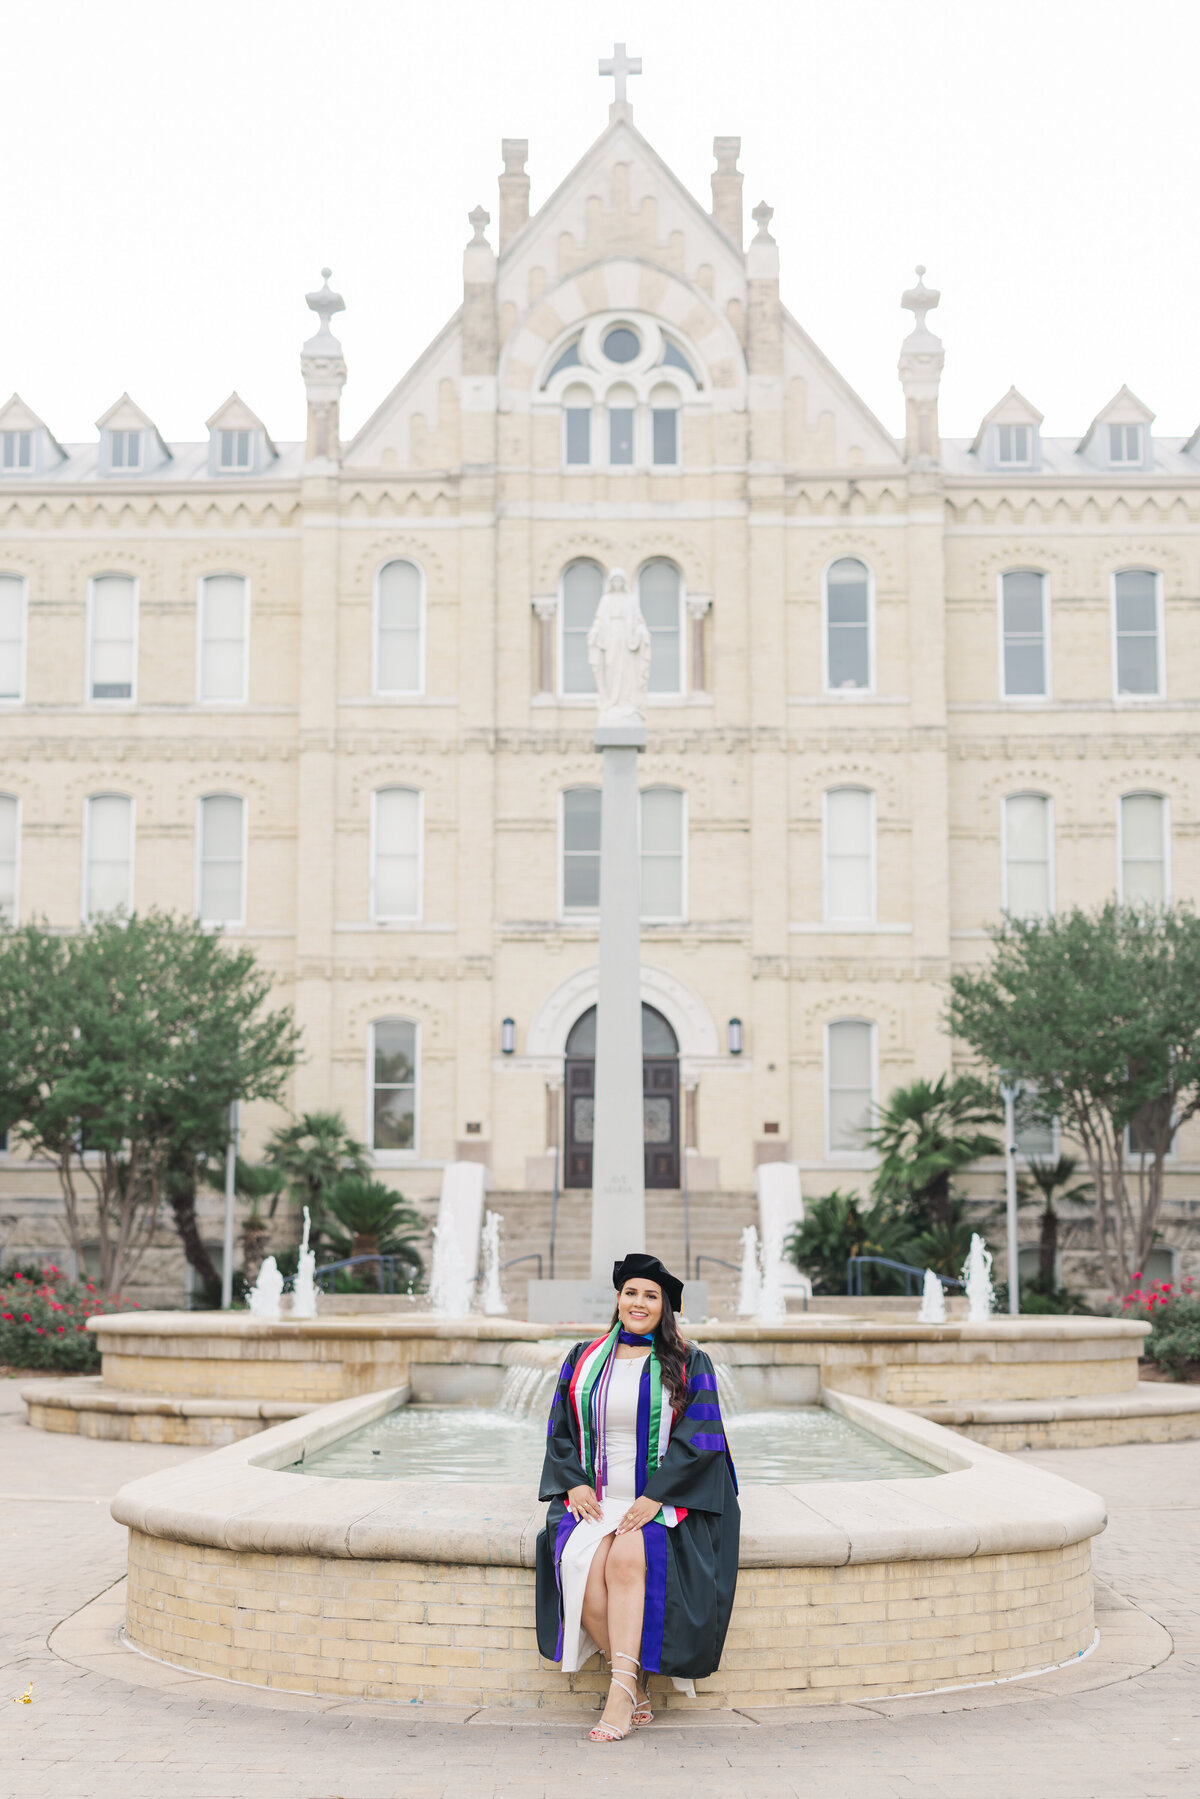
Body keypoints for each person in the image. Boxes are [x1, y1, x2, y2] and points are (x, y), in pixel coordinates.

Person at [535, 1253, 740, 1742]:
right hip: (597, 1497)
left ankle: (618, 1697)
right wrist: (574, 1482)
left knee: (627, 1558)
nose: (639, 1303)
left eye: (651, 1295)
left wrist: (656, 1496)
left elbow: (701, 1437)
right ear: (619, 1298)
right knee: (581, 1568)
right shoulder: (583, 1358)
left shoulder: (688, 1360)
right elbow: (559, 1429)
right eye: (631, 1293)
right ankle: (634, 1686)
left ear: (665, 1305)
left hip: (664, 1498)